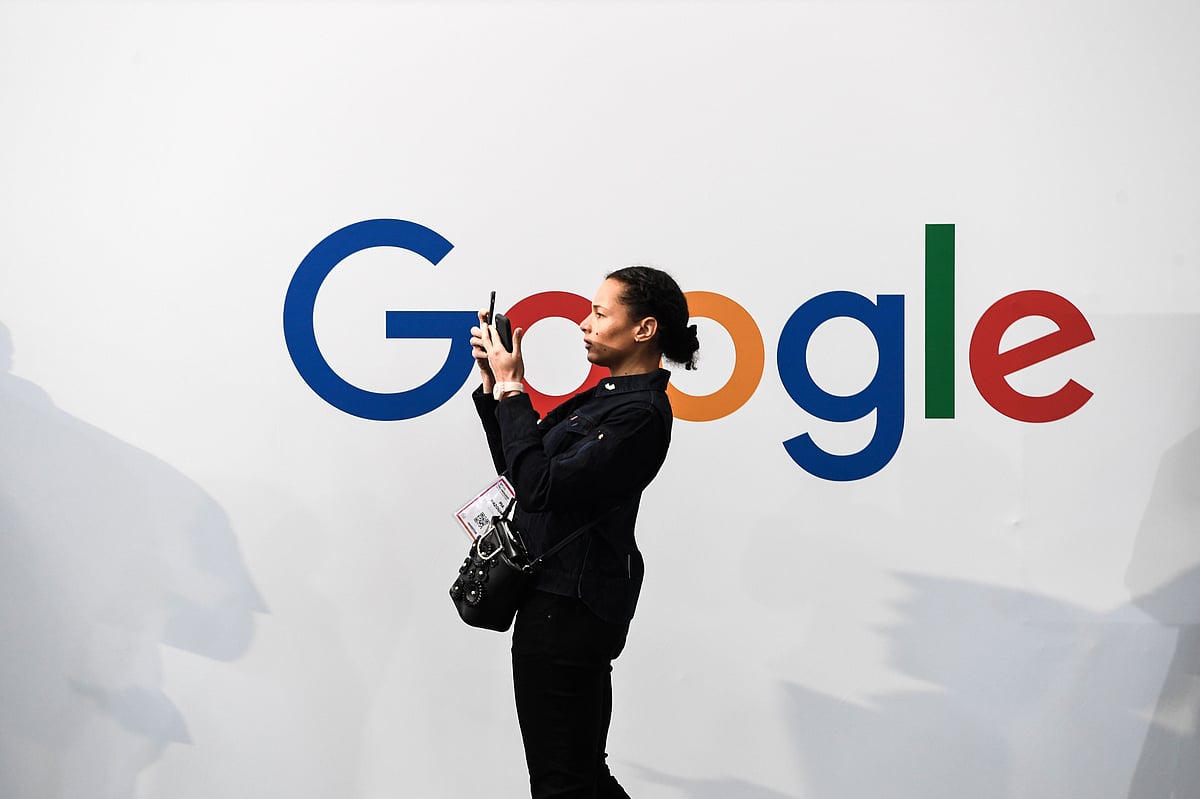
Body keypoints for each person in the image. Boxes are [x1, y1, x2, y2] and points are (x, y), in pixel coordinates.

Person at [470, 266, 699, 798]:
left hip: (568, 608)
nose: (582, 322)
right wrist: (495, 387)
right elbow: (521, 470)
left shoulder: (640, 412)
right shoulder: (608, 398)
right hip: (557, 602)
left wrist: (512, 389)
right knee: (581, 776)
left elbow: (540, 488)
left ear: (643, 330)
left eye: (599, 313)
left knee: (563, 782)